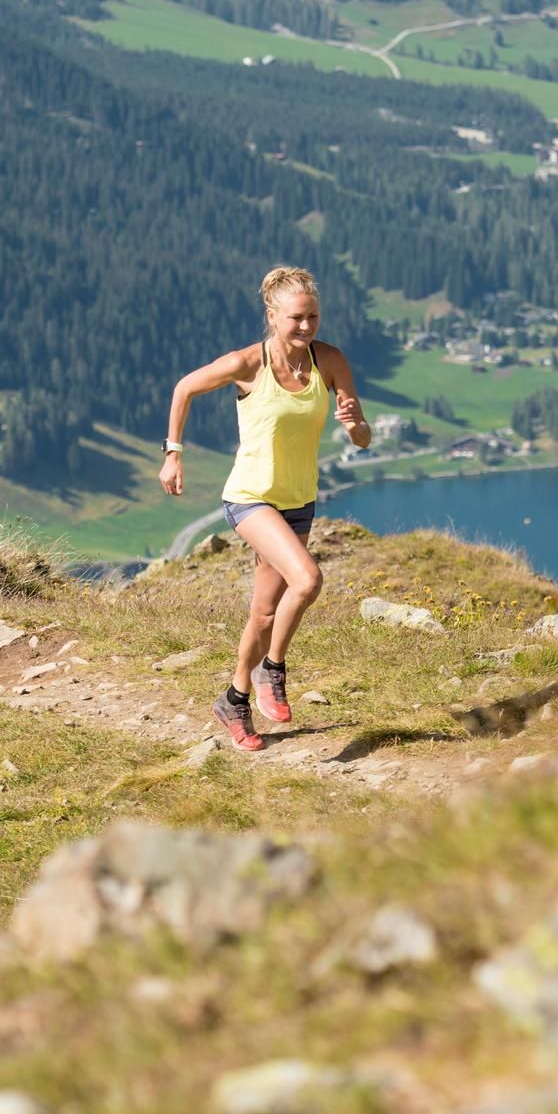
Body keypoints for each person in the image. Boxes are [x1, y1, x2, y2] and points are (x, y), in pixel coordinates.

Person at [159, 265, 372, 752]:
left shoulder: (330, 361)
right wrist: (173, 453)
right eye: (296, 317)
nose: (306, 326)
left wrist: (356, 424)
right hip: (251, 497)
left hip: (299, 500)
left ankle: (234, 700)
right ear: (272, 316)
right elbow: (184, 387)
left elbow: (361, 438)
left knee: (263, 614)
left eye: (313, 316)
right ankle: (272, 668)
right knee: (308, 580)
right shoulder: (247, 363)